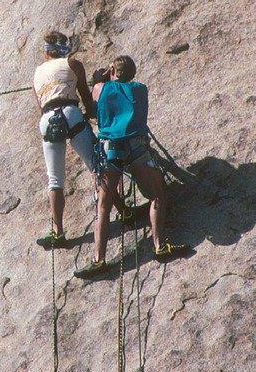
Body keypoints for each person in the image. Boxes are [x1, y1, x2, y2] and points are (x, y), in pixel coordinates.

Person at [75, 55, 188, 279]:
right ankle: (159, 245)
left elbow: (92, 104)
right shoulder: (140, 89)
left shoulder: (101, 89)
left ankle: (99, 260)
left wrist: (102, 77)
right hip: (137, 147)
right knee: (157, 195)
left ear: (112, 71)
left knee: (104, 207)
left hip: (110, 150)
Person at [32, 32, 133, 249]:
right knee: (98, 167)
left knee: (54, 179)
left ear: (46, 51)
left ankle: (58, 232)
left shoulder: (37, 72)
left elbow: (41, 105)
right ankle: (124, 211)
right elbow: (88, 101)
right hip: (70, 113)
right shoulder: (73, 64)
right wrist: (98, 91)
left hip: (48, 119)